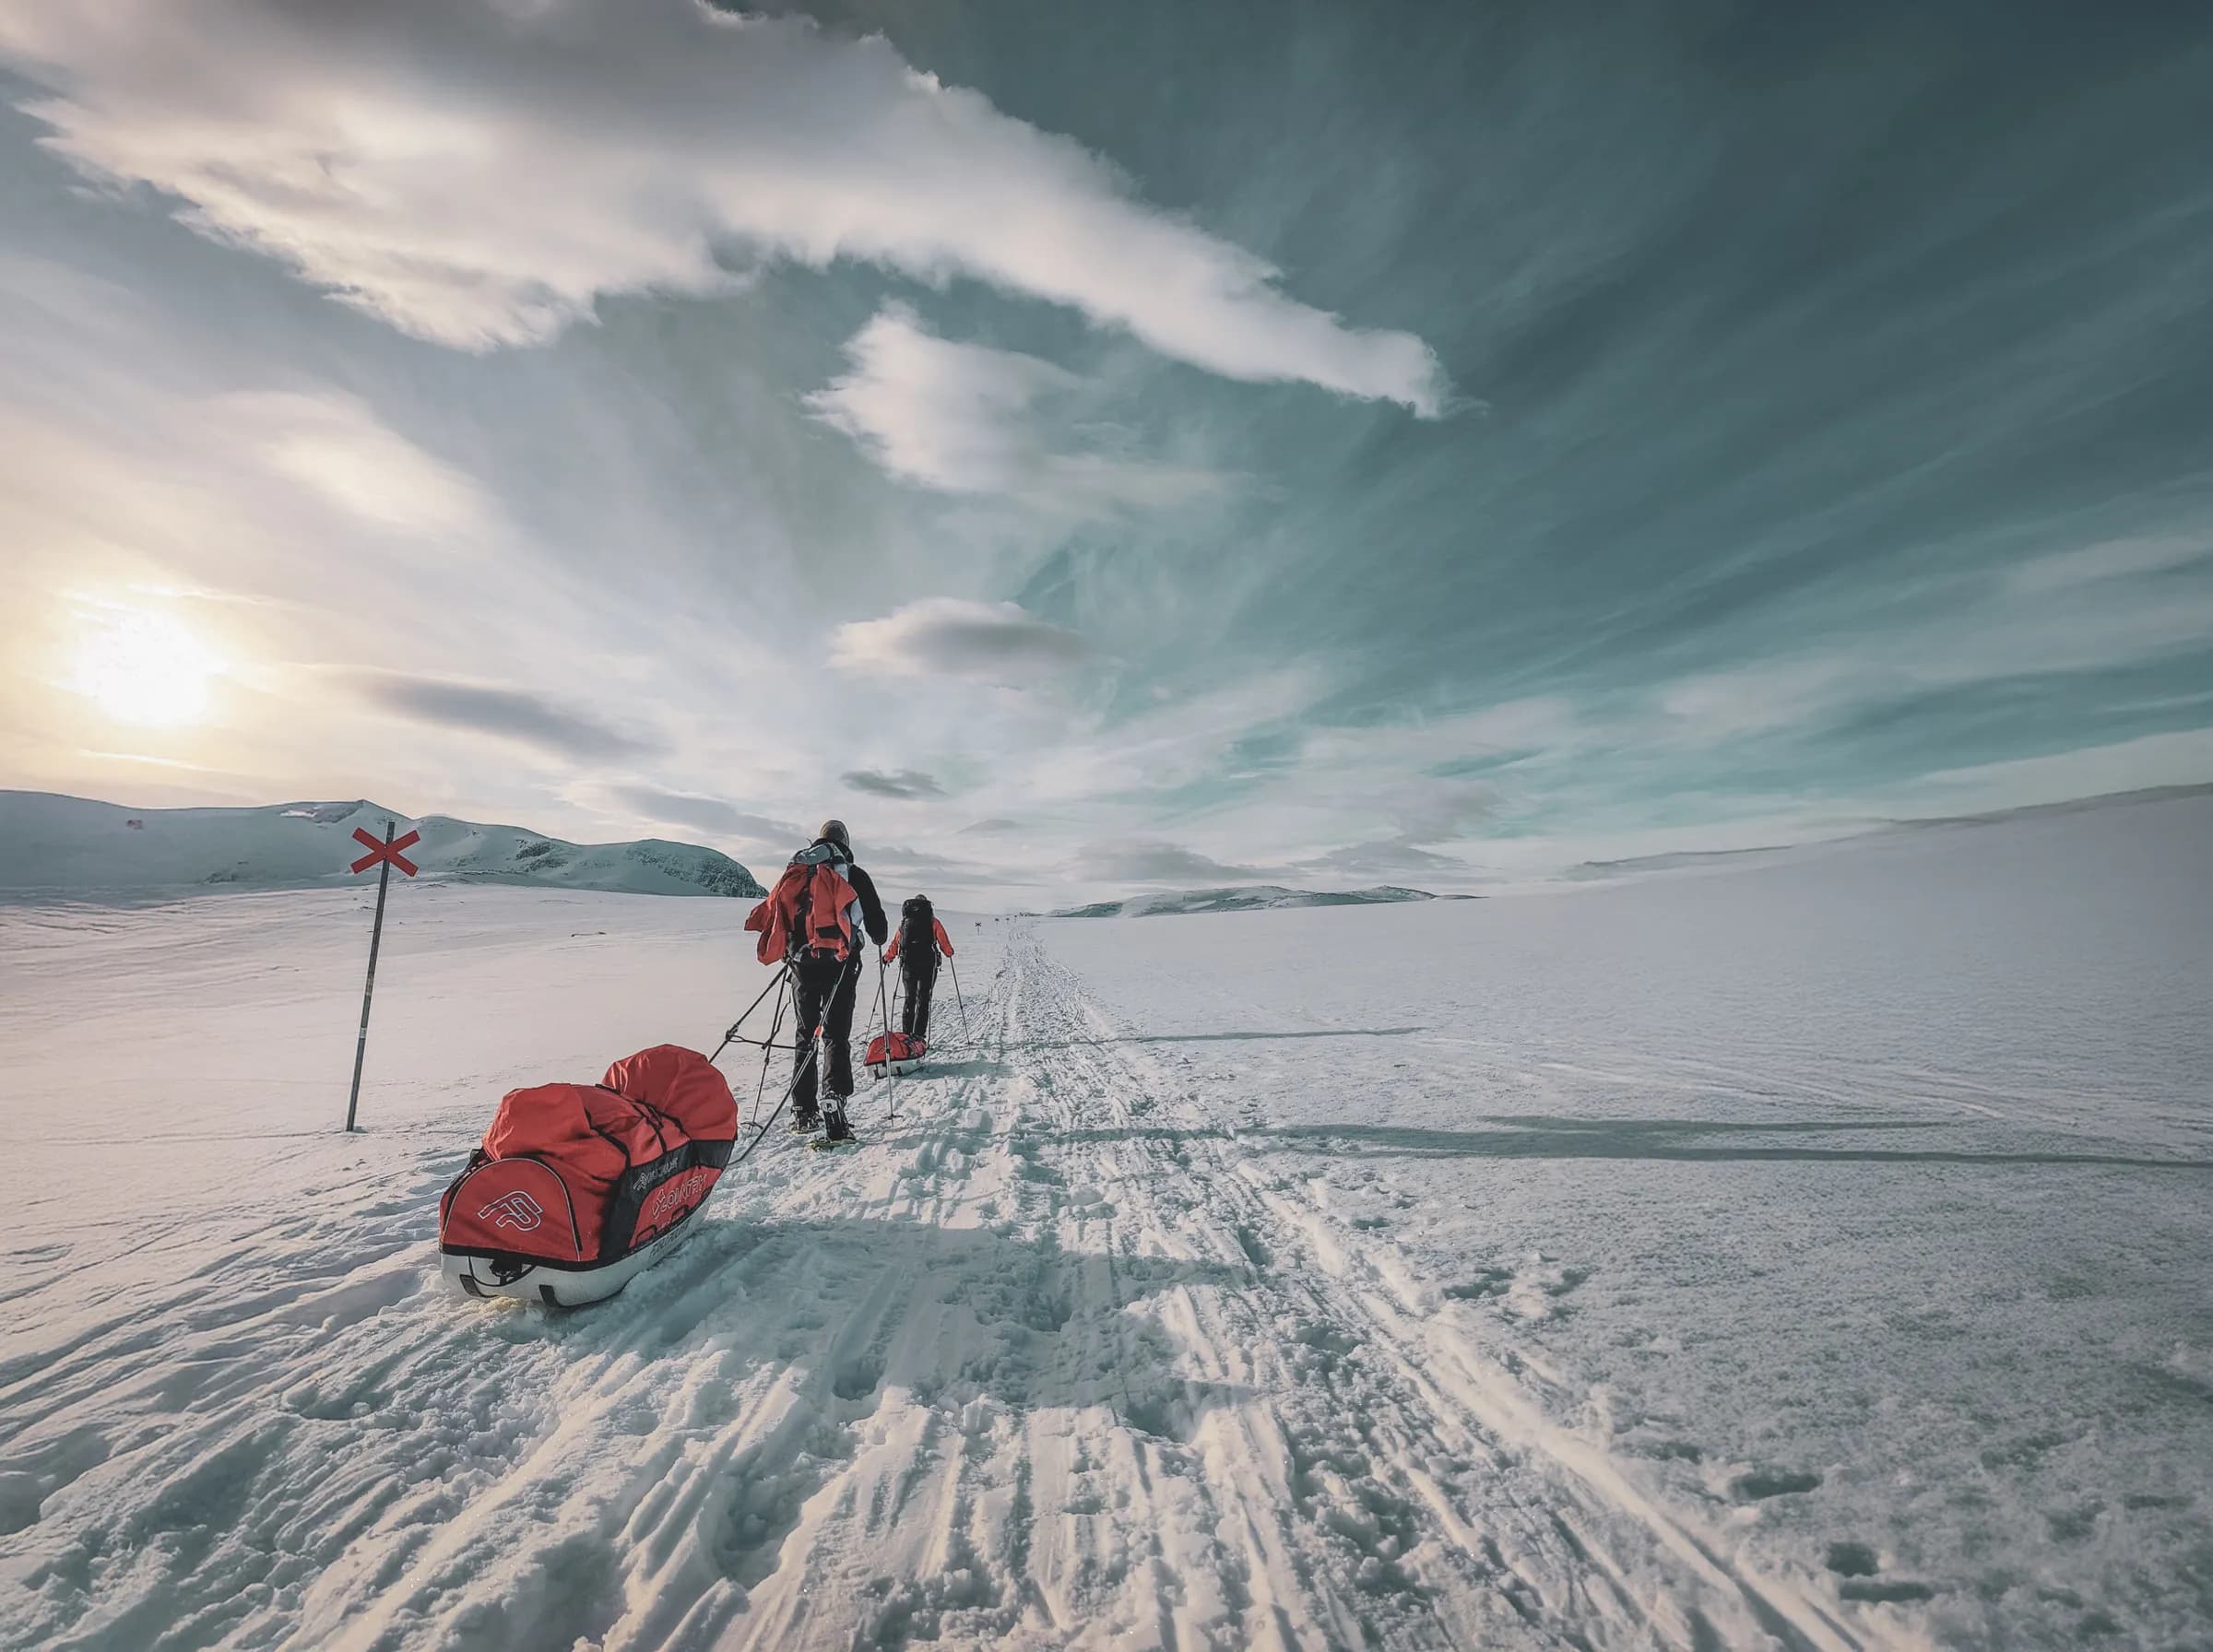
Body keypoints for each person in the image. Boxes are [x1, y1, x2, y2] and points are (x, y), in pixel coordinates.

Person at [746, 820, 887, 1141]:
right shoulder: (854, 874)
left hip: (800, 965)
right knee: (836, 1035)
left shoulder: (797, 872)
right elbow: (879, 929)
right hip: (841, 964)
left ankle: (802, 1111)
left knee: (804, 1036)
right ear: (845, 843)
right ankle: (834, 1099)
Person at [884, 893, 954, 1044]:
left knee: (909, 998)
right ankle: (919, 1035)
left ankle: (906, 1034)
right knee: (923, 998)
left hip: (908, 964)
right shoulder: (933, 921)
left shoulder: (905, 923)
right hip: (928, 965)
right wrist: (948, 952)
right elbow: (943, 941)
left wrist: (887, 957)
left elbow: (896, 942)